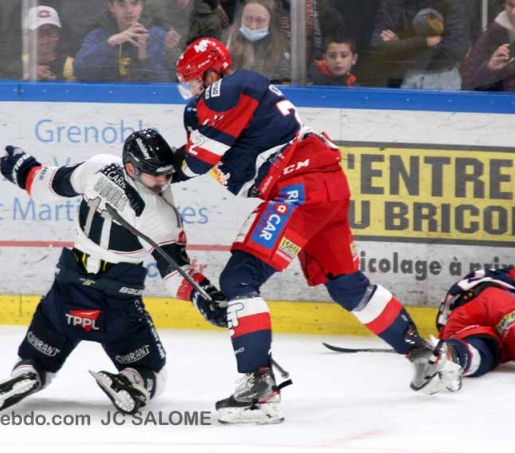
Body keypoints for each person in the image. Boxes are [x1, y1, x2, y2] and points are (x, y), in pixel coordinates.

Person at [173, 37, 462, 424]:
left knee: (240, 277)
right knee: (347, 284)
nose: (191, 92)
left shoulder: (225, 90)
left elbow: (194, 163)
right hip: (326, 185)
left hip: (301, 188)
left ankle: (260, 388)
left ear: (211, 73)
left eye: (192, 81)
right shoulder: (241, 96)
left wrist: (146, 172)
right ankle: (427, 358)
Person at [0, 129, 228, 415]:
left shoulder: (98, 167)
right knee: (152, 371)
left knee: (38, 356)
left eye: (166, 175)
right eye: (154, 175)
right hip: (116, 301)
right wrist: (206, 298)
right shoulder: (160, 216)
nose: (161, 182)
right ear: (132, 168)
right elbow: (176, 275)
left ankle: (26, 375)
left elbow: (43, 185)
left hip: (68, 289)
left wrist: (22, 168)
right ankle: (132, 380)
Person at [74, 0, 171, 83]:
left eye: (134, 3)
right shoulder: (97, 36)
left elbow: (167, 82)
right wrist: (109, 44)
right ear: (111, 7)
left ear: (142, 5)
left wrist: (144, 57)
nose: (129, 10)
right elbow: (79, 71)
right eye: (122, 4)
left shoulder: (158, 36)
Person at [144, 0, 225, 66]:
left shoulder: (210, 19)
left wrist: (173, 50)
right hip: (157, 76)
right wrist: (160, 38)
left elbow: (210, 64)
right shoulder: (153, 7)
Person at [222, 0, 291, 82]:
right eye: (248, 19)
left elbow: (286, 75)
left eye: (260, 20)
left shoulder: (281, 44)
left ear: (270, 22)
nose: (253, 26)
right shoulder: (227, 39)